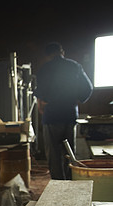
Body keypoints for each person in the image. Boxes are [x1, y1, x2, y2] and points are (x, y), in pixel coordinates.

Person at [34, 42, 93, 179]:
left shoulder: (45, 68)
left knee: (53, 154)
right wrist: (75, 99)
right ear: (62, 52)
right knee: (70, 151)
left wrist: (43, 103)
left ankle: (57, 183)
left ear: (48, 55)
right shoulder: (74, 66)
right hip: (69, 114)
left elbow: (40, 94)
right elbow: (88, 89)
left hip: (52, 115)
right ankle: (71, 180)